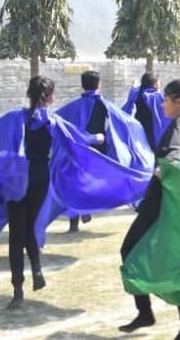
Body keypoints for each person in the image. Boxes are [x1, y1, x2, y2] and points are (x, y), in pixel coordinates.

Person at [118, 79, 180, 340]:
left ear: (179, 101)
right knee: (176, 259)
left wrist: (162, 169)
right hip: (179, 204)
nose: (162, 105)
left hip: (162, 202)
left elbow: (173, 158)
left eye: (166, 100)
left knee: (130, 249)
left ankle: (148, 313)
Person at [6, 76, 55, 309]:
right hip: (40, 176)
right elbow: (76, 139)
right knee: (30, 226)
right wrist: (98, 138)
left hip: (18, 176)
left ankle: (18, 289)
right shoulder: (53, 122)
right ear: (50, 97)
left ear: (29, 94)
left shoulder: (16, 117)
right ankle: (36, 268)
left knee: (16, 234)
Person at [63, 70, 110, 231]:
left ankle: (74, 223)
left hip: (79, 148)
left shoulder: (74, 106)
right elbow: (119, 120)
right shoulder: (103, 104)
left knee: (76, 182)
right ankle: (87, 208)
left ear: (82, 85)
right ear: (99, 84)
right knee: (94, 181)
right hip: (98, 147)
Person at [123, 72, 166, 151]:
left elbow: (133, 92)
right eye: (159, 83)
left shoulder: (137, 94)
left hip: (138, 129)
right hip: (151, 130)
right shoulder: (155, 97)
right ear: (155, 85)